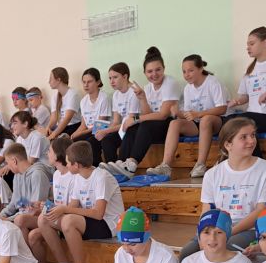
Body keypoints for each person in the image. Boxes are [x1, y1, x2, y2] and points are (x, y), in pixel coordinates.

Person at [178, 117, 266, 260]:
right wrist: (202, 234)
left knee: (226, 248)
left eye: (253, 135)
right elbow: (207, 211)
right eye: (244, 137)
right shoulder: (212, 174)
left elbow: (261, 210)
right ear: (228, 145)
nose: (251, 141)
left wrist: (228, 232)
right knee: (187, 254)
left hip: (251, 229)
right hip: (217, 229)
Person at [35, 139, 121, 263]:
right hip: (90, 221)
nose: (67, 165)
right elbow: (73, 205)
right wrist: (53, 210)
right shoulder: (78, 177)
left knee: (68, 221)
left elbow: (98, 214)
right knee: (43, 219)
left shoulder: (101, 177)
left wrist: (64, 210)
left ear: (77, 165)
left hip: (109, 224)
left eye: (68, 162)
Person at [147, 54, 228, 178]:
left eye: (190, 71)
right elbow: (189, 115)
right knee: (174, 123)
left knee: (205, 120)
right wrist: (177, 113)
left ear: (200, 69)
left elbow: (222, 108)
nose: (187, 75)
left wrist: (199, 114)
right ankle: (165, 166)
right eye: (184, 72)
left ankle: (200, 164)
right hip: (198, 122)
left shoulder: (213, 82)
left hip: (216, 122)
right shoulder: (187, 88)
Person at [105, 47, 181, 179]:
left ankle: (132, 163)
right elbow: (148, 114)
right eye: (150, 71)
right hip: (155, 125)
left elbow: (163, 115)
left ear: (164, 69)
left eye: (158, 70)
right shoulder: (147, 87)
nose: (154, 74)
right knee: (133, 127)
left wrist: (136, 118)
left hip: (171, 124)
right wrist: (142, 98)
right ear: (145, 73)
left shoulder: (170, 83)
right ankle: (121, 163)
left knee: (143, 124)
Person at [97, 62, 140, 168]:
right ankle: (112, 167)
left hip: (136, 126)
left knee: (128, 131)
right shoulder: (116, 94)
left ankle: (121, 165)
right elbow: (116, 121)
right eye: (110, 78)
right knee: (107, 139)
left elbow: (131, 121)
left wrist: (105, 131)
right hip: (123, 127)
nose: (111, 81)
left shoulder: (134, 91)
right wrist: (105, 132)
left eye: (115, 77)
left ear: (125, 77)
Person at [71, 67, 112, 165]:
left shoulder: (104, 98)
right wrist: (73, 135)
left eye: (89, 82)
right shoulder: (83, 101)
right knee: (72, 141)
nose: (86, 85)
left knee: (89, 142)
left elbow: (101, 125)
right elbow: (83, 125)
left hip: (102, 131)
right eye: (84, 82)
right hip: (89, 132)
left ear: (98, 82)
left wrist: (80, 134)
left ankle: (97, 167)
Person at [48, 67, 81, 140]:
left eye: (50, 78)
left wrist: (54, 134)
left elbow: (67, 119)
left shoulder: (73, 94)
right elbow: (54, 118)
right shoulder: (55, 96)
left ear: (58, 80)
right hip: (61, 127)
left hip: (73, 126)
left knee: (56, 141)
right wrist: (48, 128)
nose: (49, 81)